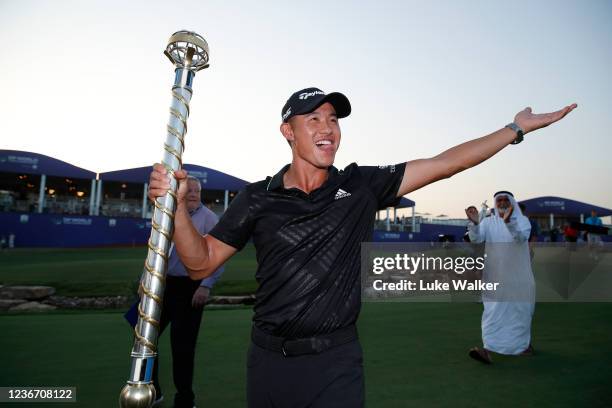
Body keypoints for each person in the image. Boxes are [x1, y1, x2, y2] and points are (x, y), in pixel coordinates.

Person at [148, 87, 576, 406]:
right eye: (312, 118)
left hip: (335, 361)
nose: (327, 128)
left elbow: (448, 163)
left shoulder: (360, 185)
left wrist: (515, 129)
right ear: (288, 131)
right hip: (268, 361)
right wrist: (176, 209)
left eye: (333, 120)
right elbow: (200, 263)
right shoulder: (257, 197)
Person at [152, 175, 225, 408]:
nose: (193, 194)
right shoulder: (168, 214)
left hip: (191, 287)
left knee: (182, 347)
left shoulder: (209, 219)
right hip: (163, 285)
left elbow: (219, 258)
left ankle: (185, 400)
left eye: (197, 190)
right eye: (189, 190)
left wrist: (206, 285)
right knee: (142, 336)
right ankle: (152, 390)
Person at [465, 191, 535, 364]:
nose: (502, 203)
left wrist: (508, 222)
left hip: (519, 277)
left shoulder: (522, 221)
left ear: (512, 203)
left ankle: (522, 346)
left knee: (520, 312)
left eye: (505, 200)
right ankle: (487, 349)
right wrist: (474, 224)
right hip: (495, 276)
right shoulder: (488, 222)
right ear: (495, 203)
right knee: (492, 312)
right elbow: (476, 239)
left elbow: (520, 237)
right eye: (499, 200)